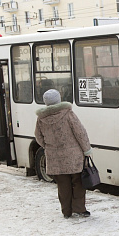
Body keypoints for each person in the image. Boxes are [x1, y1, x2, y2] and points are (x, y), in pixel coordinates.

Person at [34, 89, 93, 219]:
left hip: (54, 158)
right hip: (73, 155)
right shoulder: (68, 113)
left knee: (62, 185)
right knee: (78, 182)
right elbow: (80, 132)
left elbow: (38, 136)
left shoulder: (41, 118)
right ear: (58, 99)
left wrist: (48, 146)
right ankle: (79, 208)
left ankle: (66, 211)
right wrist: (87, 149)